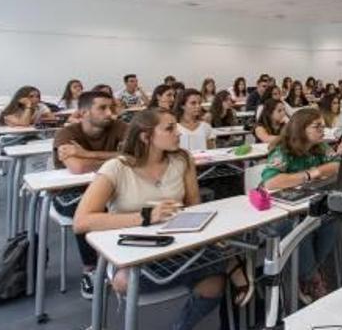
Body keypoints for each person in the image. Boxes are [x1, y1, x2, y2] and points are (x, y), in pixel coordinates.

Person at [73, 109, 244, 328]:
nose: (178, 133)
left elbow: (194, 207)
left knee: (215, 283)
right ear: (146, 136)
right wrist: (146, 216)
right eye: (169, 128)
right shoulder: (117, 168)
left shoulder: (182, 159)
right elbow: (81, 222)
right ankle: (232, 264)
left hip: (178, 247)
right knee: (227, 260)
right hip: (133, 252)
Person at [52, 90, 128, 298]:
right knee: (86, 210)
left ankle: (125, 259)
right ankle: (91, 269)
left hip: (109, 189)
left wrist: (89, 155)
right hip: (69, 194)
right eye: (102, 108)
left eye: (111, 107)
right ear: (84, 112)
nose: (110, 113)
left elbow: (136, 154)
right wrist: (116, 158)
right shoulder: (67, 134)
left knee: (131, 201)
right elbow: (77, 167)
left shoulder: (119, 127)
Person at [261, 109, 339, 302]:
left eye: (323, 125)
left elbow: (337, 164)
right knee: (300, 228)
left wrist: (314, 171)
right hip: (280, 213)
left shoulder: (320, 147)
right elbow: (271, 181)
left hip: (306, 203)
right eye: (317, 126)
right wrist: (308, 175)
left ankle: (308, 273)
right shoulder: (283, 149)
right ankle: (311, 278)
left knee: (331, 218)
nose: (323, 130)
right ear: (301, 129)